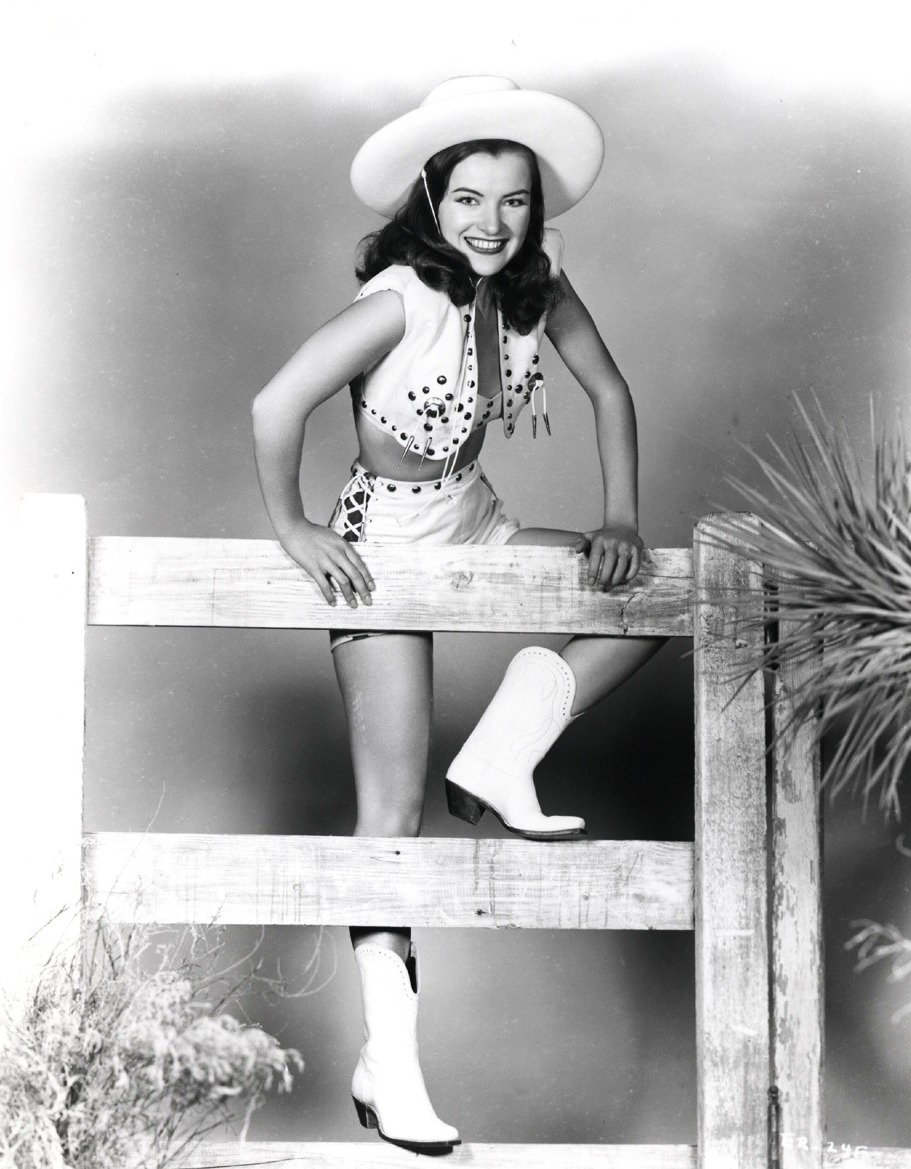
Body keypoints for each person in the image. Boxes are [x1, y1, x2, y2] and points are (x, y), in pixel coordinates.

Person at [252, 76, 663, 1152]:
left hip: (474, 520)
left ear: (536, 208)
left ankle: (498, 753)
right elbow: (275, 402)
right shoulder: (398, 298)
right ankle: (390, 1068)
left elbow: (609, 391)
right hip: (383, 545)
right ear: (431, 201)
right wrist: (294, 527)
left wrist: (620, 517)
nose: (491, 221)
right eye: (469, 198)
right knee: (389, 818)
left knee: (648, 596)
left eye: (513, 200)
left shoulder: (536, 286)